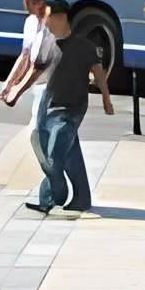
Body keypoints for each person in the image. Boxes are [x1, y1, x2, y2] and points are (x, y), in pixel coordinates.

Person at [31, 12, 111, 216]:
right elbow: (34, 70)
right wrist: (15, 88)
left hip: (70, 109)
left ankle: (52, 197)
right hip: (49, 103)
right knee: (67, 151)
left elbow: (99, 74)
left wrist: (106, 99)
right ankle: (81, 197)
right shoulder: (49, 43)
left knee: (54, 155)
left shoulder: (85, 47)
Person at [1, 0, 60, 196]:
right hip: (40, 87)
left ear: (40, 3)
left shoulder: (50, 29)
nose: (24, 7)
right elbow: (26, 56)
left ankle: (54, 180)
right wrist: (10, 83)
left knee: (38, 132)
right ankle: (53, 179)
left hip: (51, 88)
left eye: (28, 3)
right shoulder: (31, 23)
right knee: (39, 134)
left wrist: (16, 91)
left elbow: (37, 67)